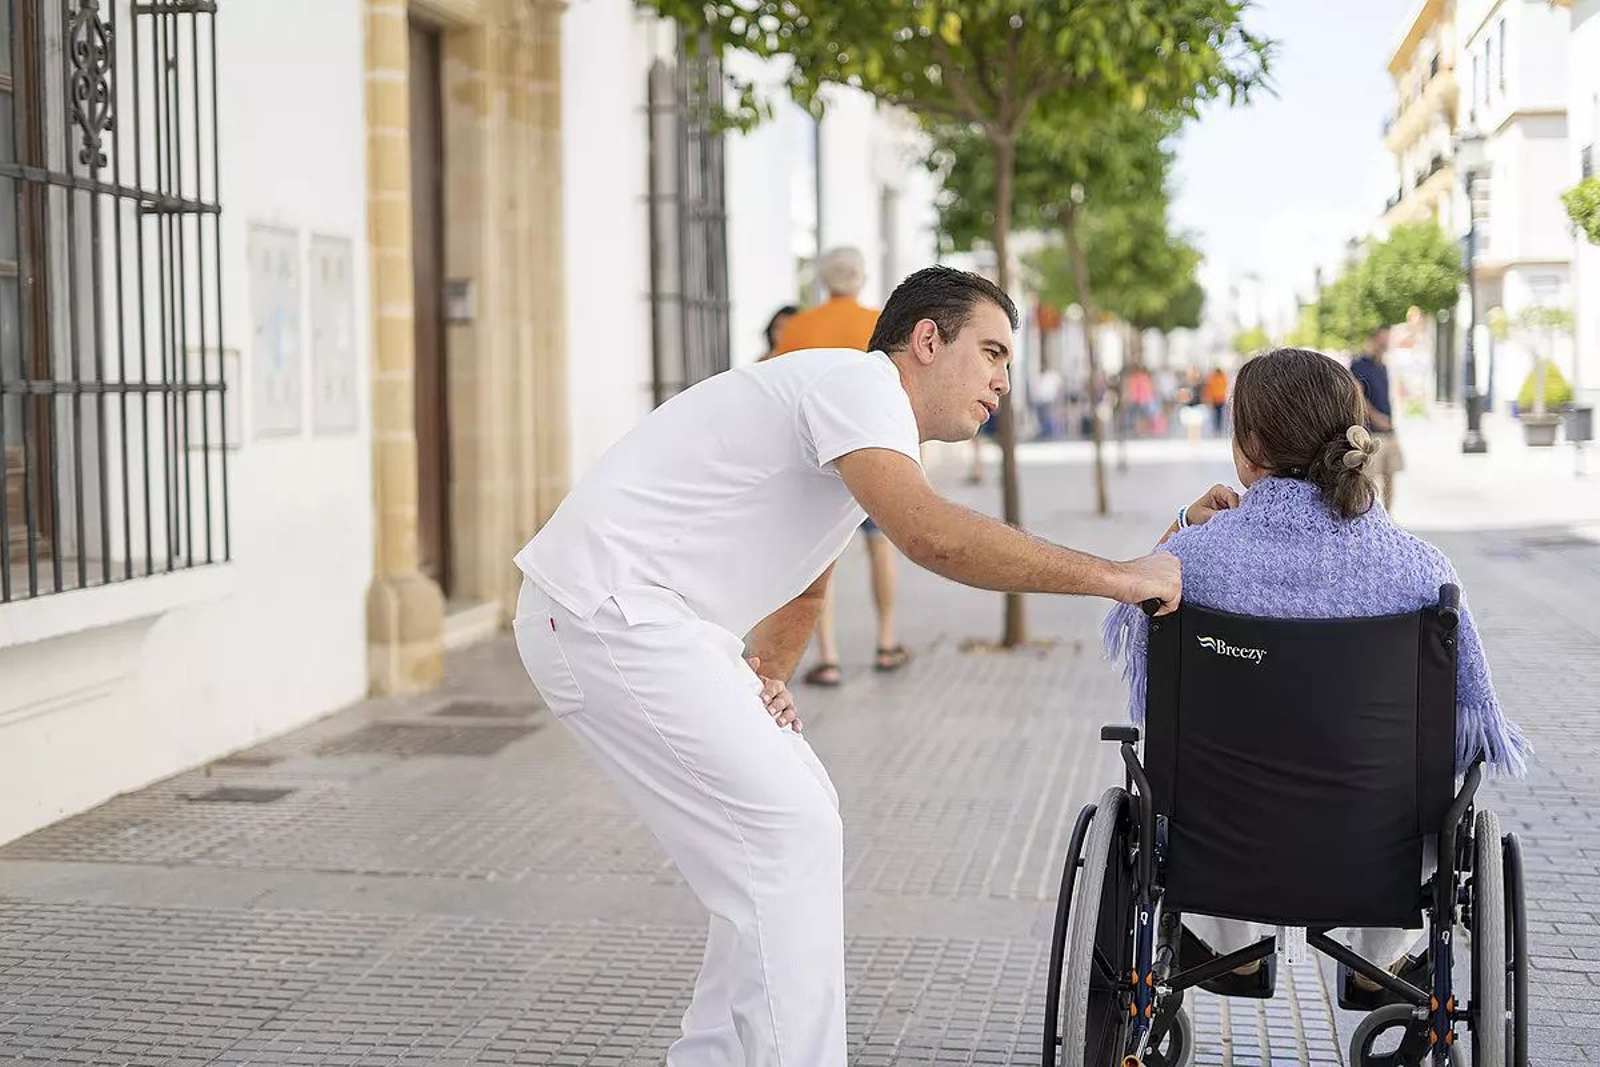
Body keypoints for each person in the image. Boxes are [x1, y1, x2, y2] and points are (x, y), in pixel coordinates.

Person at [512, 266, 1181, 1067]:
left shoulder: (858, 416)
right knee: (785, 828)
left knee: (790, 827)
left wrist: (767, 675)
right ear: (926, 341)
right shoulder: (862, 385)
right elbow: (931, 536)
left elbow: (811, 573)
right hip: (605, 610)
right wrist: (1120, 575)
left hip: (643, 623)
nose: (1007, 379)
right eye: (993, 352)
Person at [1102, 345, 1528, 990]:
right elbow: (1465, 724)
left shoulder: (1190, 561)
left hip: (1219, 852)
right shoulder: (1421, 572)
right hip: (1376, 854)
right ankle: (1379, 964)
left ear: (1247, 447)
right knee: (1430, 780)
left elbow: (1143, 649)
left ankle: (1236, 951)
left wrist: (1183, 525)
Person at [772, 247, 907, 684]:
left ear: (823, 280)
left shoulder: (798, 327)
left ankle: (827, 656)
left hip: (814, 456)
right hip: (873, 450)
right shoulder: (882, 324)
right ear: (862, 278)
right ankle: (886, 643)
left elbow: (777, 386)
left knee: (817, 559)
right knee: (879, 546)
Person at [1350, 325, 1404, 511]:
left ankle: (1389, 521)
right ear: (1374, 339)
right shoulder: (1359, 365)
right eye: (1383, 340)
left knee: (1391, 477)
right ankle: (1368, 518)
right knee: (1369, 480)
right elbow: (1358, 395)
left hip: (1389, 431)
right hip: (1371, 434)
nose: (1386, 344)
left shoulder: (1382, 366)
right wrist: (1376, 417)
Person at [1203, 365, 1229, 436]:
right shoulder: (1222, 377)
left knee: (1216, 414)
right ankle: (1219, 428)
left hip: (1216, 399)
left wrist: (1208, 398)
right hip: (1220, 398)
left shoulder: (1213, 378)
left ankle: (1217, 428)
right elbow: (1224, 387)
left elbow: (1210, 389)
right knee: (1219, 414)